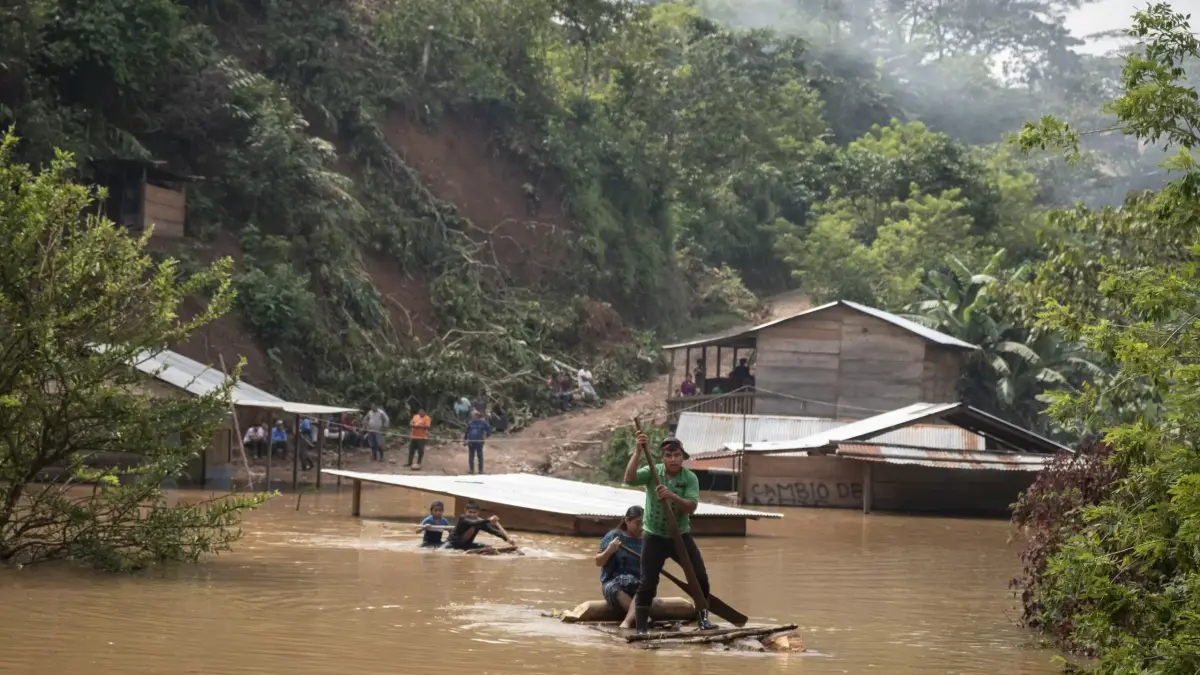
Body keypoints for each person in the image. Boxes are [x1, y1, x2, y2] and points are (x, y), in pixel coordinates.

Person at [624, 434, 714, 633]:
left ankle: (703, 619)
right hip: (654, 536)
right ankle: (640, 628)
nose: (673, 459)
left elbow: (691, 507)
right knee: (647, 582)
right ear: (662, 458)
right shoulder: (653, 472)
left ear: (683, 457)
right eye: (669, 455)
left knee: (699, 576)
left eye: (677, 455)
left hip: (679, 536)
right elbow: (628, 478)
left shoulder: (689, 478)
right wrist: (638, 450)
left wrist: (671, 495)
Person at [595, 506, 645, 629]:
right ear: (627, 521)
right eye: (637, 523)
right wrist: (609, 550)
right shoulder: (613, 536)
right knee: (614, 588)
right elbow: (598, 562)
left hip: (638, 584)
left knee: (645, 587)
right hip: (614, 583)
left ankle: (628, 622)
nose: (641, 527)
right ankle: (642, 618)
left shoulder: (647, 539)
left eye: (644, 523)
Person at [444, 500, 513, 553]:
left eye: (474, 512)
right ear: (465, 511)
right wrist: (489, 520)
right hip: (452, 543)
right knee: (440, 550)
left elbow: (494, 531)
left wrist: (507, 539)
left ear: (478, 512)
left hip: (467, 545)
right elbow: (472, 522)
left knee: (488, 547)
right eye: (470, 512)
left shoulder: (480, 522)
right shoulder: (463, 518)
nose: (472, 515)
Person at [464, 410, 492, 474]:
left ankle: (481, 470)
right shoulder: (470, 423)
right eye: (471, 416)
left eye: (473, 416)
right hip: (471, 442)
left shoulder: (483, 422)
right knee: (471, 456)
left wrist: (486, 436)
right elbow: (466, 432)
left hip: (479, 442)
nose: (472, 417)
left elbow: (489, 429)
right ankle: (471, 470)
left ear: (477, 416)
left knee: (480, 456)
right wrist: (465, 440)